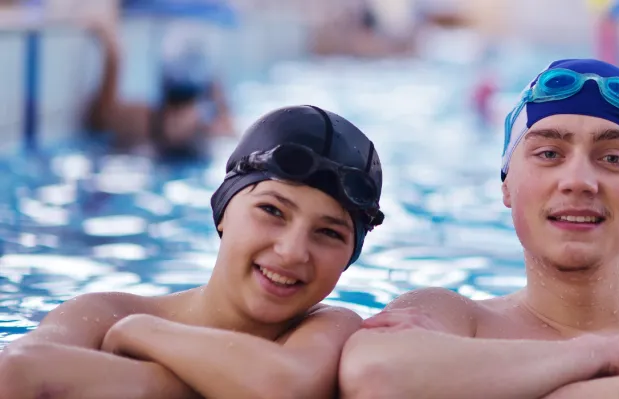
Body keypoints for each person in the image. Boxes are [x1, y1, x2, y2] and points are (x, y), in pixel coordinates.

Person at [337, 58, 619, 399]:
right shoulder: (449, 315)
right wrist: (603, 356)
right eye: (548, 154)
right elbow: (377, 375)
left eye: (613, 158)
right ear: (507, 185)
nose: (578, 180)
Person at [0, 105, 383, 398]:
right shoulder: (102, 314)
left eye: (329, 233)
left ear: (350, 255)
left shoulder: (332, 327)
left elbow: (283, 388)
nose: (291, 251)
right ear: (222, 212)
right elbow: (17, 372)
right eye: (272, 210)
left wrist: (140, 335)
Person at [84, 17, 235, 160]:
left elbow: (102, 119)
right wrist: (113, 55)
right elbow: (100, 120)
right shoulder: (212, 129)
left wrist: (113, 54)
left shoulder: (143, 121)